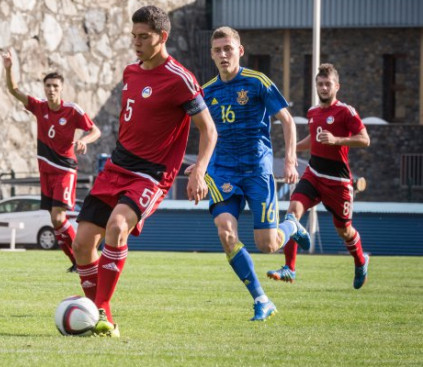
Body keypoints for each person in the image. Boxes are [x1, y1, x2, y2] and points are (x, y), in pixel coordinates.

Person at [72, 5, 217, 337]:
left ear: (162, 37)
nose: (136, 43)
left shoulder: (180, 78)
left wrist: (199, 171)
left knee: (117, 226)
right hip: (117, 165)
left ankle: (103, 312)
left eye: (144, 37)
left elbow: (209, 130)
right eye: (133, 36)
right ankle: (95, 315)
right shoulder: (130, 72)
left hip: (152, 173)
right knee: (81, 244)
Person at [193, 26, 309, 321]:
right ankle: (261, 298)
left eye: (228, 49)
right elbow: (204, 132)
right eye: (218, 50)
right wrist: (200, 166)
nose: (223, 55)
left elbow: (286, 120)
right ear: (212, 54)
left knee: (266, 244)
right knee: (225, 232)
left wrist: (290, 160)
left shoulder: (257, 82)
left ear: (239, 51)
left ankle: (291, 227)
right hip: (222, 171)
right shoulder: (206, 92)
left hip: (257, 169)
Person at [267, 63, 371, 289]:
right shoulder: (313, 112)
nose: (323, 88)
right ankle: (289, 269)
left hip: (338, 183)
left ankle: (361, 261)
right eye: (320, 84)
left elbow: (365, 139)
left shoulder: (346, 112)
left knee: (344, 231)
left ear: (337, 86)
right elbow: (314, 140)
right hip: (313, 174)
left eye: (328, 84)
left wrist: (337, 140)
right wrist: (292, 151)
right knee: (292, 214)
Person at [2, 56, 102, 272]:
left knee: (58, 217)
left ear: (61, 89)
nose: (51, 90)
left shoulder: (72, 110)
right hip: (46, 171)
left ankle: (81, 256)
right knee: (55, 221)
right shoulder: (39, 107)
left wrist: (83, 140)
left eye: (55, 86)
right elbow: (13, 90)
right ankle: (76, 261)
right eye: (47, 86)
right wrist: (9, 68)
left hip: (65, 169)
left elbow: (95, 130)